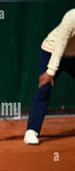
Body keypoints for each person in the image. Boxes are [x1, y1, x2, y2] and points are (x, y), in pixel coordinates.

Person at [24, 8, 75, 145]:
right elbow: (60, 44)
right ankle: (31, 131)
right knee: (45, 88)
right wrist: (50, 72)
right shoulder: (71, 17)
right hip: (52, 50)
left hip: (72, 56)